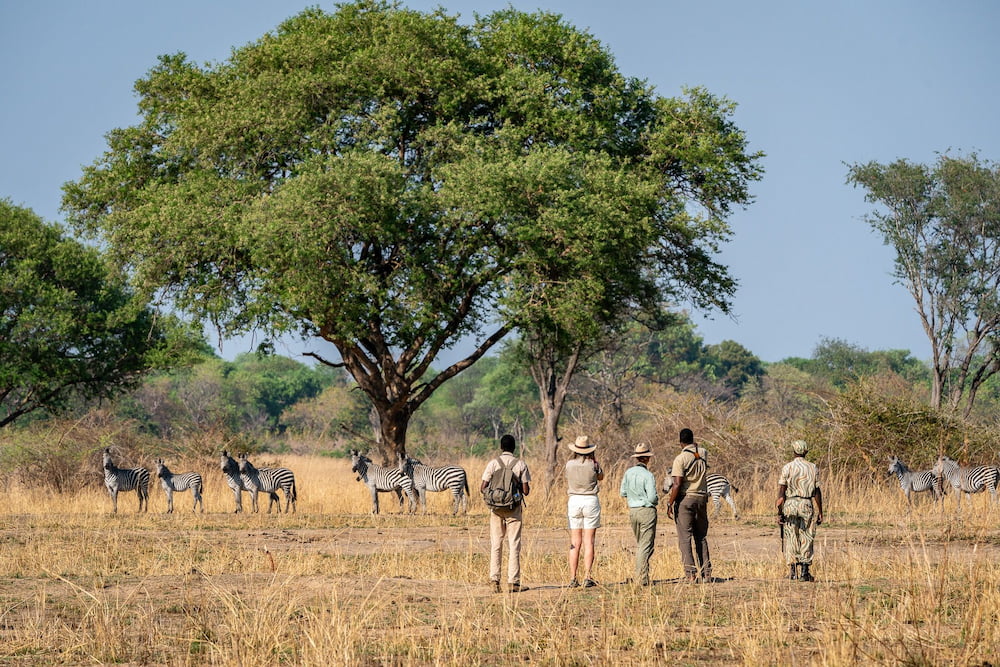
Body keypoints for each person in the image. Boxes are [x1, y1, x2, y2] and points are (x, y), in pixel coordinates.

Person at [480, 434, 531, 593]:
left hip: (495, 509)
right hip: (513, 509)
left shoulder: (493, 463)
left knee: (496, 543)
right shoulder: (520, 464)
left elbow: (482, 487)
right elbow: (526, 491)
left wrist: (495, 496)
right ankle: (513, 582)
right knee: (514, 544)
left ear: (501, 447)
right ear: (514, 448)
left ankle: (494, 580)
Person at [665, 428, 712, 582]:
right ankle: (706, 572)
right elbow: (698, 449)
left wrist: (670, 502)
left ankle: (690, 574)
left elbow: (677, 484)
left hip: (686, 499)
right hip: (702, 498)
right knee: (701, 537)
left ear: (680, 442)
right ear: (692, 439)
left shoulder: (680, 459)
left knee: (685, 538)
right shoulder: (703, 452)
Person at [777, 439, 823, 582]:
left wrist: (780, 512)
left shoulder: (787, 467)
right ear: (806, 451)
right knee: (807, 536)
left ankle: (792, 572)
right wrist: (821, 511)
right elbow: (816, 491)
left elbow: (781, 492)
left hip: (790, 504)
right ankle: (804, 572)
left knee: (791, 536)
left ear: (794, 451)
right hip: (805, 503)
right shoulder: (813, 467)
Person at [564, 435, 604, 588]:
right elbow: (601, 477)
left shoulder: (569, 464)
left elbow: (568, 477)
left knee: (575, 542)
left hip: (574, 501)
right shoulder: (593, 464)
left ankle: (573, 578)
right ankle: (587, 576)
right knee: (589, 541)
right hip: (590, 500)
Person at [619, 442, 658, 586]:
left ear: (637, 458)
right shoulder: (648, 475)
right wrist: (652, 501)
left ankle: (643, 576)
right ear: (647, 458)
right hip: (646, 511)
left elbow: (622, 492)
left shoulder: (628, 473)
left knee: (641, 544)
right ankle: (640, 579)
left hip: (633, 511)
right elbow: (653, 497)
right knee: (645, 546)